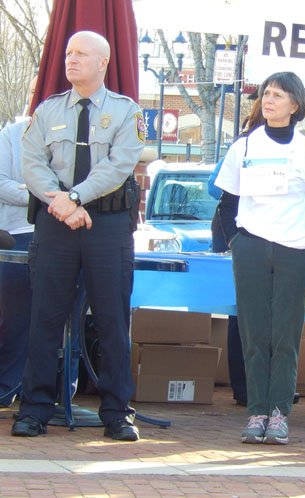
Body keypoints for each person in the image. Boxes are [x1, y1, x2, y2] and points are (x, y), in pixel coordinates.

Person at [12, 31, 144, 441]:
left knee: (111, 319)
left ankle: (117, 412)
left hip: (106, 226)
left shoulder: (126, 112)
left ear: (103, 62)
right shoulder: (47, 111)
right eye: (69, 53)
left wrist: (74, 197)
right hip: (56, 224)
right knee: (45, 317)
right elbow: (32, 162)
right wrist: (63, 205)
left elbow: (119, 165)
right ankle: (34, 410)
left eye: (81, 53)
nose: (71, 59)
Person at [215, 72, 305, 445]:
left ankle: (279, 412)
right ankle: (256, 412)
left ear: (295, 105)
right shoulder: (243, 147)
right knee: (253, 332)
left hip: (295, 251)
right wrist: (237, 242)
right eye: (266, 94)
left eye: (278, 95)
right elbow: (227, 203)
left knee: (285, 335)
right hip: (251, 247)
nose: (269, 100)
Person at [208, 98, 264, 407]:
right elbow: (214, 187)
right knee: (240, 309)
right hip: (235, 228)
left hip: (265, 231)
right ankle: (244, 387)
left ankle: (260, 384)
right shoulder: (243, 145)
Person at [0, 119, 32, 407]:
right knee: (13, 318)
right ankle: (7, 387)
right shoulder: (11, 134)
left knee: (61, 320)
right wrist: (43, 196)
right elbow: (1, 184)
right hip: (17, 235)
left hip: (68, 234)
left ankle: (54, 391)